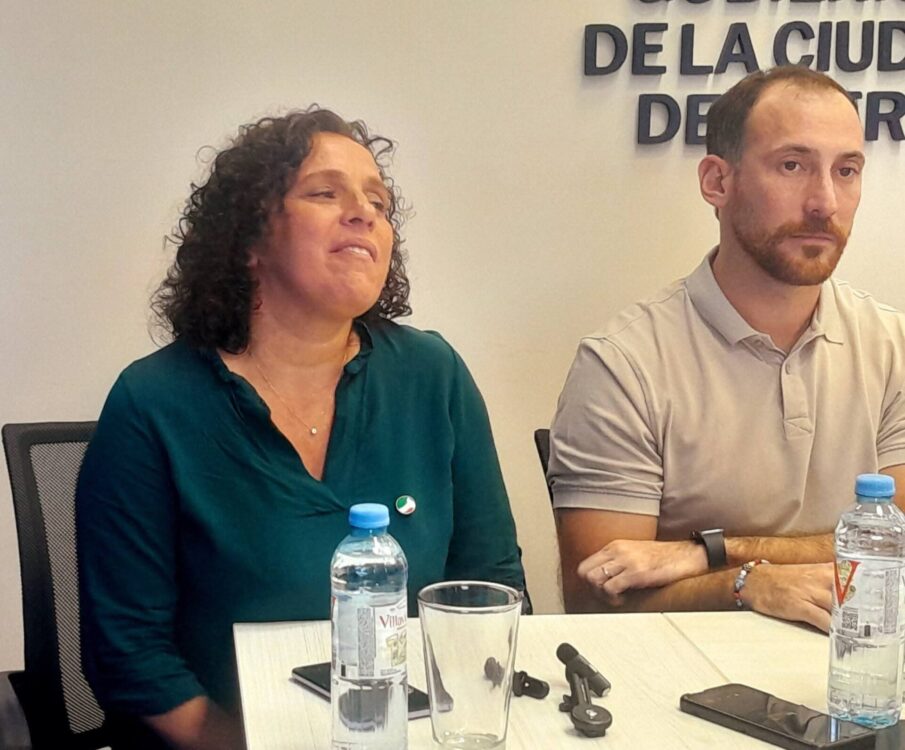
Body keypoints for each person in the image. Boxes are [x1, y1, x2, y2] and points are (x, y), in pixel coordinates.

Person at [76, 108, 526, 750]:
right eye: (324, 193)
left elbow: (490, 587)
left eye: (379, 202)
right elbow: (130, 654)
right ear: (250, 238)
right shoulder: (154, 403)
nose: (364, 213)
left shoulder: (433, 374)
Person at [550, 66, 905, 632]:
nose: (825, 202)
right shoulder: (623, 364)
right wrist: (747, 585)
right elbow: (594, 599)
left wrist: (711, 551)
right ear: (717, 181)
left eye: (846, 171)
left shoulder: (892, 346)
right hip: (680, 673)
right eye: (792, 166)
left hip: (855, 667)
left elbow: (896, 549)